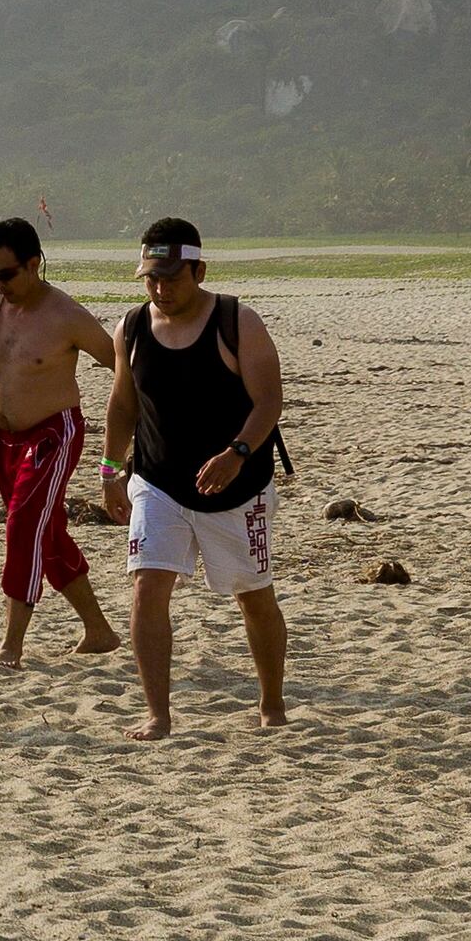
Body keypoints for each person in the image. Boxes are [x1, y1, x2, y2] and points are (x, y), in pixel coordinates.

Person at [96, 217, 291, 736]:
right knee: (146, 588)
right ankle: (158, 713)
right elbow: (122, 403)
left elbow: (269, 400)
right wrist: (111, 469)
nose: (160, 289)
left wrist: (237, 453)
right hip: (158, 483)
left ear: (200, 270)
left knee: (253, 595)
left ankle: (271, 704)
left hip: (237, 489)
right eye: (151, 279)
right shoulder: (131, 328)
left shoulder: (237, 321)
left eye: (172, 277)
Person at [0, 218, 122, 670]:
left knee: (24, 527)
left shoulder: (67, 316)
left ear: (34, 264)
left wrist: (125, 449)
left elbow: (123, 371)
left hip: (53, 435)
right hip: (4, 439)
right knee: (47, 535)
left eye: (5, 274)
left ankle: (11, 646)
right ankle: (100, 631)